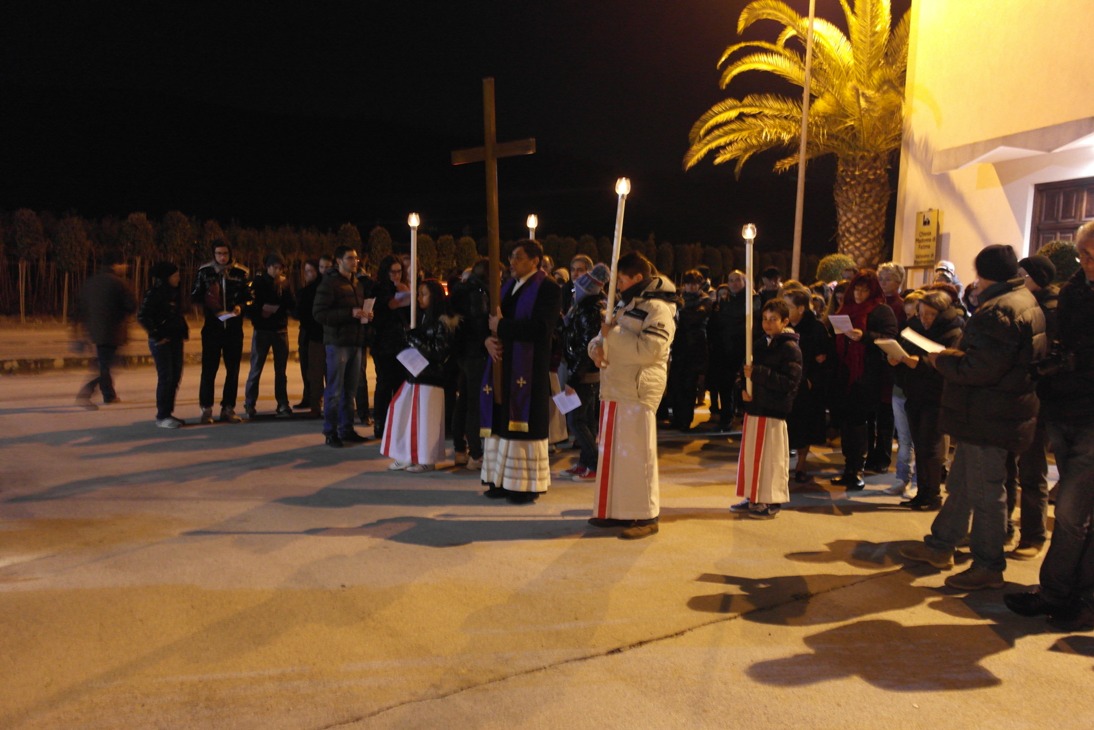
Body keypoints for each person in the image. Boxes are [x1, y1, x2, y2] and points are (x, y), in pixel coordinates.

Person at [900, 244, 1046, 591]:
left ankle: (988, 564)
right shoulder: (1023, 300)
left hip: (988, 415)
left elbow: (980, 368)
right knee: (963, 485)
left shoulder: (1000, 310)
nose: (976, 282)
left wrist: (943, 359)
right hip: (994, 413)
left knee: (985, 492)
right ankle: (941, 544)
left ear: (986, 274)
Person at [1004, 224, 1094, 630]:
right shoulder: (1073, 291)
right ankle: (1064, 594)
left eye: (1091, 256)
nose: (1085, 263)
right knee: (1077, 513)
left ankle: (1064, 595)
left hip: (1090, 417)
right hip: (1065, 409)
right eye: (1082, 255)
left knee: (1072, 513)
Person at [587, 251, 677, 538]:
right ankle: (617, 511)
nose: (617, 286)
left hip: (638, 390)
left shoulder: (658, 309)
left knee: (639, 456)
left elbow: (651, 350)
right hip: (615, 386)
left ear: (638, 278)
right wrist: (595, 349)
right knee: (616, 455)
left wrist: (611, 336)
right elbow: (602, 335)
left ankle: (646, 515)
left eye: (622, 280)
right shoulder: (625, 304)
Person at [480, 239, 562, 504]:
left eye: (518, 257)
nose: (512, 262)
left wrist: (502, 327)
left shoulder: (548, 288)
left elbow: (541, 329)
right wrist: (488, 340)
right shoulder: (507, 286)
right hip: (502, 366)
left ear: (535, 261)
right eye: (511, 257)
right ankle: (501, 480)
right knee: (501, 423)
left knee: (523, 427)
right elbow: (490, 322)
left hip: (529, 371)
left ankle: (524, 485)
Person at [887, 288, 964, 511]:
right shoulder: (914, 328)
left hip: (937, 396)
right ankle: (922, 493)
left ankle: (932, 495)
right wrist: (896, 359)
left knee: (930, 447)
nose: (925, 319)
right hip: (914, 393)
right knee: (919, 445)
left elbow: (950, 364)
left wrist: (919, 362)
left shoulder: (953, 331)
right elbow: (904, 349)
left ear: (941, 312)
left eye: (930, 314)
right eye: (921, 314)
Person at [1004, 254, 1058, 559]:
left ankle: (1033, 535)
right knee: (1006, 465)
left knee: (1032, 469)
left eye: (1023, 275)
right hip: (1016, 395)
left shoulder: (1051, 310)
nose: (1019, 279)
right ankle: (1002, 527)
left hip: (1039, 399)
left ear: (1038, 278)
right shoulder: (1024, 305)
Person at [730, 299, 803, 519]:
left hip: (773, 411)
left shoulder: (790, 348)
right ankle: (753, 496)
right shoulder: (759, 344)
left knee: (770, 459)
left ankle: (770, 500)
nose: (767, 324)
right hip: (755, 408)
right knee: (751, 457)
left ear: (785, 321)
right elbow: (743, 371)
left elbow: (789, 382)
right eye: (764, 319)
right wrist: (742, 390)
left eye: (773, 319)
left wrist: (758, 373)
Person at [830, 270, 898, 489]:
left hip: (867, 374)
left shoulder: (880, 310)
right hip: (845, 372)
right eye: (856, 289)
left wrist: (865, 336)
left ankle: (856, 469)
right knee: (847, 423)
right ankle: (849, 467)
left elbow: (890, 337)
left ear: (872, 291)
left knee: (859, 422)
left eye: (864, 290)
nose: (859, 294)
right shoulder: (846, 309)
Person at [382, 279, 457, 472]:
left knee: (426, 420)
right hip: (416, 373)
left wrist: (414, 339)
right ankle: (406, 454)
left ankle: (426, 459)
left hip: (431, 377)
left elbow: (439, 352)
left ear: (434, 296)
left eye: (423, 294)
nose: (419, 298)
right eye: (418, 294)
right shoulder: (425, 317)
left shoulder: (443, 321)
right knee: (403, 412)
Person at [313, 246, 373, 447]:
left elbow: (356, 309)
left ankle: (346, 429)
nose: (355, 262)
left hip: (355, 342)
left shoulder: (357, 283)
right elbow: (319, 313)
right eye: (350, 258)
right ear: (339, 261)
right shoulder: (329, 283)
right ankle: (330, 431)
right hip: (337, 343)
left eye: (356, 258)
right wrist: (350, 313)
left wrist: (365, 315)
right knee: (335, 391)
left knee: (350, 391)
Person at [559, 263, 610, 481]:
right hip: (583, 372)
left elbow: (586, 348)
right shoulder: (582, 308)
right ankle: (585, 462)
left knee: (576, 421)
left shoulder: (590, 310)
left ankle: (595, 464)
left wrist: (573, 378)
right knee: (586, 421)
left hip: (584, 374)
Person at [192, 240, 253, 424]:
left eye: (225, 253)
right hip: (212, 328)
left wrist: (241, 306)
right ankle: (206, 408)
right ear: (214, 254)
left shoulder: (241, 272)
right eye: (218, 253)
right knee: (209, 369)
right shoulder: (205, 272)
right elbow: (195, 295)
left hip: (233, 328)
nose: (222, 257)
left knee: (232, 370)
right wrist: (210, 302)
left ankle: (228, 407)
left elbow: (250, 297)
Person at [73, 250, 137, 408]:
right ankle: (87, 391)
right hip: (114, 330)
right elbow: (132, 305)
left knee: (105, 364)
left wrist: (79, 331)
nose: (125, 267)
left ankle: (109, 394)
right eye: (123, 264)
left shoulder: (91, 282)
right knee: (111, 364)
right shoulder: (119, 283)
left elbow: (79, 308)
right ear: (116, 265)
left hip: (95, 331)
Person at [782, 288, 831, 482]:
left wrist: (811, 381)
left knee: (805, 426)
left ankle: (801, 464)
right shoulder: (784, 325)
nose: (784, 309)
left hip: (807, 386)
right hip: (787, 384)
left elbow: (823, 358)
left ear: (801, 308)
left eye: (788, 306)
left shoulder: (816, 328)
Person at [243, 252, 296, 419]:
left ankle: (282, 403)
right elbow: (249, 304)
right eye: (275, 267)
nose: (278, 271)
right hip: (262, 330)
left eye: (280, 268)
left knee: (281, 371)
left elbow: (291, 303)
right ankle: (250, 403)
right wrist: (260, 312)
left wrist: (282, 309)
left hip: (280, 329)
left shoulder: (284, 283)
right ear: (267, 267)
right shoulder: (258, 282)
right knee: (256, 368)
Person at [137, 261, 189, 428]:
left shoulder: (174, 293)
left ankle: (168, 413)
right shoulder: (154, 293)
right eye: (175, 275)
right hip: (162, 342)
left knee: (175, 377)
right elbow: (143, 316)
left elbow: (177, 315)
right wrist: (156, 335)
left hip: (175, 339)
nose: (178, 278)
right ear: (166, 277)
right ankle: (162, 416)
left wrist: (182, 330)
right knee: (166, 377)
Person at [867, 262, 907, 474]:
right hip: (875, 365)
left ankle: (882, 456)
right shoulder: (875, 304)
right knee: (873, 412)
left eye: (888, 279)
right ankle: (870, 453)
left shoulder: (899, 306)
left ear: (898, 282)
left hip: (890, 365)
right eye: (880, 279)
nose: (883, 283)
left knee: (886, 413)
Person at [371, 255, 411, 442]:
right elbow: (388, 306)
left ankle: (396, 422)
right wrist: (401, 295)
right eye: (393, 272)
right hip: (383, 343)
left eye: (399, 271)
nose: (396, 275)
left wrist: (406, 293)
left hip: (400, 343)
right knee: (384, 383)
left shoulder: (403, 287)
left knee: (400, 383)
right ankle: (380, 422)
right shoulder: (379, 288)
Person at [667, 269, 710, 431]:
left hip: (695, 347)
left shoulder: (705, 300)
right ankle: (677, 418)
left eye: (695, 284)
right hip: (678, 346)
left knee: (689, 385)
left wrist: (680, 313)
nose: (691, 287)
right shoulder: (679, 299)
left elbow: (695, 318)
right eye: (689, 283)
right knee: (676, 383)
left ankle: (685, 420)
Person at [293, 259, 325, 416]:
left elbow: (302, 313)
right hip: (308, 334)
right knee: (308, 369)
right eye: (305, 271)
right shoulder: (306, 290)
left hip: (316, 335)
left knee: (315, 372)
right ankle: (310, 398)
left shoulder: (316, 290)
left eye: (311, 271)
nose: (307, 274)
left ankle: (315, 403)